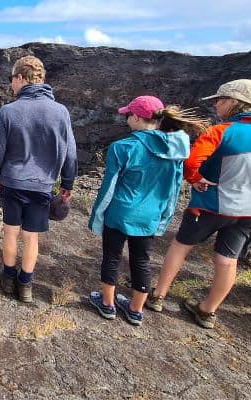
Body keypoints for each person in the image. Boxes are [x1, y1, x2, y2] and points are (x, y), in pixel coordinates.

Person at [87, 96, 209, 326]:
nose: (126, 120)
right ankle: (135, 310)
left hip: (119, 212)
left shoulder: (123, 147)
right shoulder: (176, 152)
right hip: (150, 216)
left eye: (127, 115)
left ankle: (107, 304)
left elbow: (109, 187)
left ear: (135, 117)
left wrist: (97, 216)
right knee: (141, 260)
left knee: (112, 257)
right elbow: (174, 188)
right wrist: (165, 217)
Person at [146, 79, 251, 329]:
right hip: (249, 213)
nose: (216, 104)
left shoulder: (221, 131)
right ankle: (207, 311)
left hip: (210, 205)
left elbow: (191, 160)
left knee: (181, 246)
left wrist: (195, 179)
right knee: (228, 260)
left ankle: (158, 295)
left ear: (235, 103)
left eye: (220, 100)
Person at [0, 55, 77, 302]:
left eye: (11, 80)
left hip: (12, 181)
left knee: (10, 231)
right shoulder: (60, 112)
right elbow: (70, 151)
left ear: (21, 78)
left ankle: (8, 280)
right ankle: (25, 285)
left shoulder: (9, 111)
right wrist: (68, 182)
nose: (11, 85)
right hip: (42, 185)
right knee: (31, 236)